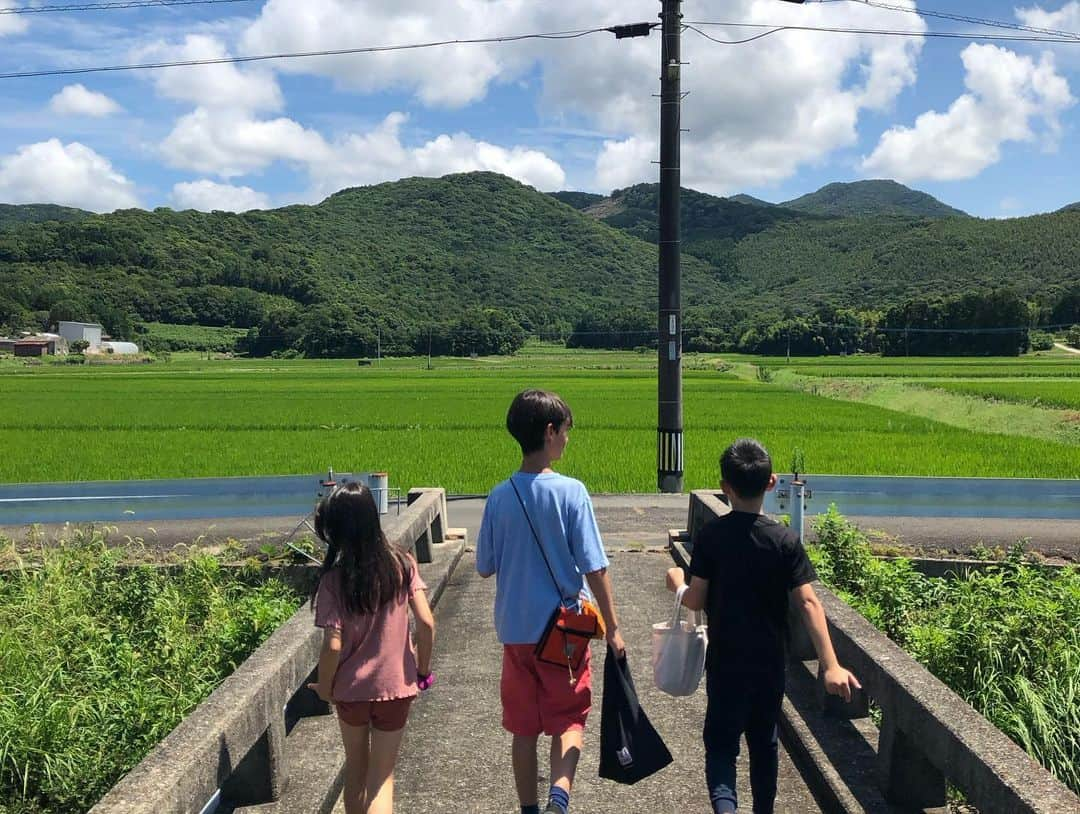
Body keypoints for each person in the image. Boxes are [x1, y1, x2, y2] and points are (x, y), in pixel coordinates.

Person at [666, 438, 861, 814]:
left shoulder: (712, 537)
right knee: (764, 742)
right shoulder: (784, 540)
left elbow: (696, 600)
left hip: (726, 663)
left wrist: (677, 583)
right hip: (770, 664)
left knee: (722, 746)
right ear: (771, 483)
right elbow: (807, 601)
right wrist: (831, 665)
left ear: (725, 487)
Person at [477, 389, 626, 814]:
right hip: (564, 634)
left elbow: (485, 566)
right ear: (548, 432)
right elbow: (594, 567)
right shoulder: (571, 492)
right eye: (564, 431)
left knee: (523, 729)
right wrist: (613, 628)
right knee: (569, 720)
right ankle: (558, 799)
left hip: (516, 632)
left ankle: (528, 809)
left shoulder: (499, 495)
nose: (567, 439)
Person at [307, 482, 435, 814]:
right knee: (382, 779)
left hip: (350, 691)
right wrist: (421, 671)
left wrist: (325, 686)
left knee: (356, 772)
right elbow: (426, 622)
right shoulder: (402, 564)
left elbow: (332, 646)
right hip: (396, 687)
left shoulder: (333, 580)